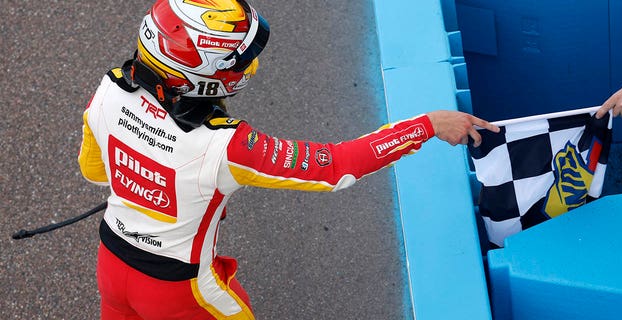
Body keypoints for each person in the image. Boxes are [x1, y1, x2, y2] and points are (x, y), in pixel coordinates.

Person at [77, 0, 500, 319]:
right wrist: (427, 124)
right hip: (182, 292)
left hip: (110, 267)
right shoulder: (226, 145)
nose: (252, 68)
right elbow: (336, 166)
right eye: (237, 62)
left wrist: (144, 175)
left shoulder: (110, 89)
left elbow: (95, 171)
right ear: (200, 75)